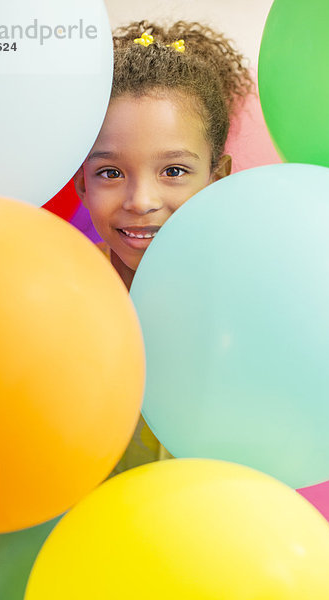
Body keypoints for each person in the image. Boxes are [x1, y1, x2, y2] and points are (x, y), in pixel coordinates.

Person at [74, 20, 253, 475]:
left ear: (219, 177)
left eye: (173, 171)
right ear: (80, 183)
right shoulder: (64, 294)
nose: (141, 202)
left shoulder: (247, 302)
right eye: (110, 173)